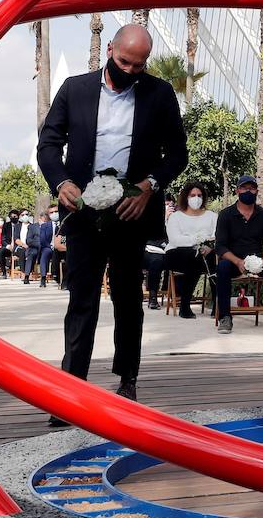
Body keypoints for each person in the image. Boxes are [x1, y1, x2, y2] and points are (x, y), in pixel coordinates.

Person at [37, 24, 188, 421]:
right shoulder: (75, 89)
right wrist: (62, 182)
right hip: (83, 212)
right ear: (109, 50)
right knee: (82, 299)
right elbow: (49, 145)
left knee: (126, 297)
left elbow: (176, 153)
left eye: (139, 66)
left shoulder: (159, 93)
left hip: (131, 211)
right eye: (124, 62)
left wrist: (149, 187)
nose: (131, 71)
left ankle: (127, 379)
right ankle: (70, 390)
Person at [213, 176, 263, 333]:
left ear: (257, 191)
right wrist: (237, 262)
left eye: (252, 188)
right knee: (222, 268)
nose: (248, 191)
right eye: (244, 188)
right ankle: (225, 317)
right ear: (237, 191)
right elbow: (220, 247)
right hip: (235, 262)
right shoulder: (225, 215)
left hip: (259, 262)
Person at [164, 182, 217, 319]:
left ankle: (218, 304)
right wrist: (199, 240)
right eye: (192, 195)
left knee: (214, 257)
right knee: (193, 256)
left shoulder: (212, 216)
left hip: (206, 253)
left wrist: (208, 245)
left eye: (199, 195)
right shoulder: (176, 217)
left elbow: (217, 236)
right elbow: (176, 240)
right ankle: (185, 305)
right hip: (177, 254)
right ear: (186, 197)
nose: (196, 198)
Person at [24, 209, 55, 287]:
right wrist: (39, 244)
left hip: (46, 247)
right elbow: (29, 240)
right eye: (43, 220)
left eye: (46, 221)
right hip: (35, 247)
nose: (44, 222)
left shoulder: (49, 226)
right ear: (40, 219)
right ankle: (27, 275)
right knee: (32, 254)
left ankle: (46, 276)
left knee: (45, 254)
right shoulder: (32, 227)